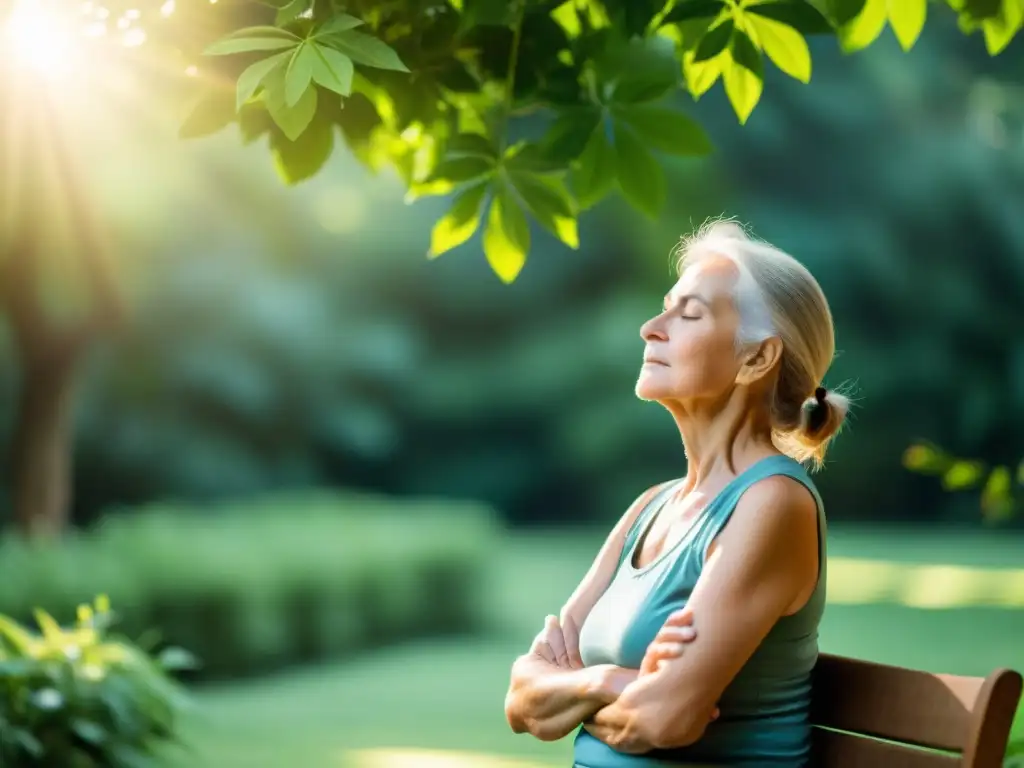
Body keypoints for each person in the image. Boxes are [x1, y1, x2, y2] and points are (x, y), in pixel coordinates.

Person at [503, 218, 849, 767]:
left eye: (688, 314)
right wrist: (617, 680)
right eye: (666, 306)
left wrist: (575, 691)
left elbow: (664, 720)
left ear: (757, 358)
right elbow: (522, 702)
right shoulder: (651, 507)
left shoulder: (773, 504)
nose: (651, 327)